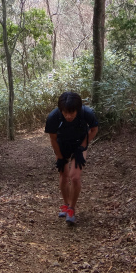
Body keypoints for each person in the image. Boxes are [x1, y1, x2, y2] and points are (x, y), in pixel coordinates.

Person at [45, 91, 98, 225]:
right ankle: (66, 204)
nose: (68, 116)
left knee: (75, 176)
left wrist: (83, 146)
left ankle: (72, 209)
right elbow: (53, 138)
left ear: (77, 110)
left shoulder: (86, 113)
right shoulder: (53, 116)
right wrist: (60, 157)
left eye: (72, 113)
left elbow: (94, 129)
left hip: (79, 145)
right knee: (64, 175)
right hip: (62, 145)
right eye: (65, 113)